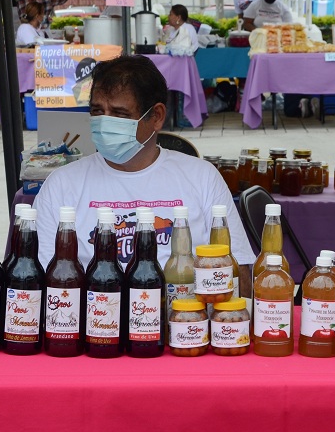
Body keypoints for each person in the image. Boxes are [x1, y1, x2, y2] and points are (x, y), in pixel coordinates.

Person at [32, 55, 256, 296]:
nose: (105, 123)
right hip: (96, 325)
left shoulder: (202, 177)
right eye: (98, 111)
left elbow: (240, 275)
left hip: (186, 324)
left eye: (120, 114)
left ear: (157, 116)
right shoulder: (62, 184)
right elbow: (37, 280)